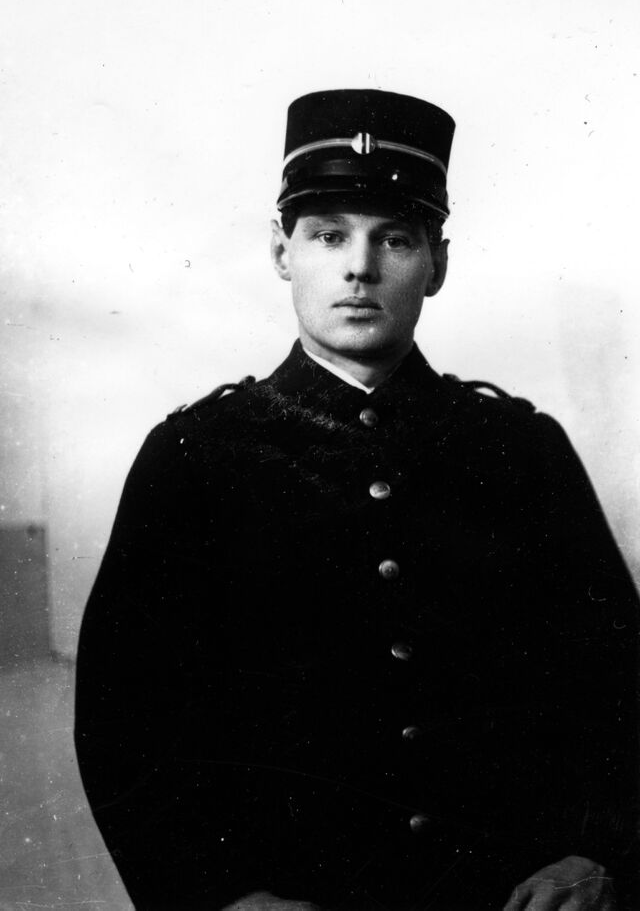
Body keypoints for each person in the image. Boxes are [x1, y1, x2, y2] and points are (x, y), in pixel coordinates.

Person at [74, 89, 639, 911]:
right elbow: (127, 718)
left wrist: (597, 852)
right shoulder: (196, 458)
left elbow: (617, 682)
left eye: (395, 238)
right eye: (329, 235)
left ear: (437, 264)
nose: (360, 268)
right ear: (282, 252)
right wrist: (218, 896)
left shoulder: (521, 452)